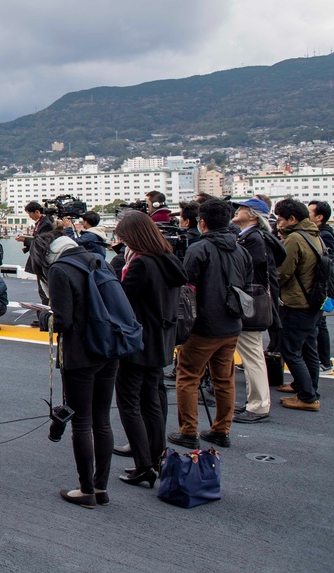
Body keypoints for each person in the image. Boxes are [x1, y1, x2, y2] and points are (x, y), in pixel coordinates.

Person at [167, 198, 252, 450]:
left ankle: (188, 431)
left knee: (188, 377)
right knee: (223, 379)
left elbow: (185, 287)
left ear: (202, 223)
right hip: (232, 324)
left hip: (203, 326)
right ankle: (221, 430)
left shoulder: (199, 249)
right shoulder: (241, 250)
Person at [43, 233, 118, 508]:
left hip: (81, 352)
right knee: (103, 419)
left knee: (81, 422)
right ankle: (101, 487)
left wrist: (44, 316)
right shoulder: (100, 260)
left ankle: (85, 488)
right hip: (109, 347)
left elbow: (62, 320)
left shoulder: (60, 270)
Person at [113, 212, 186, 488]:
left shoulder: (141, 265)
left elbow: (122, 300)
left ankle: (143, 464)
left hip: (138, 342)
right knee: (153, 401)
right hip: (162, 340)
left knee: (129, 401)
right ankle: (155, 455)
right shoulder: (168, 259)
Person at [231, 198, 280, 423]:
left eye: (241, 208)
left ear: (252, 215)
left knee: (252, 355)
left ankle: (259, 405)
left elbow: (250, 267)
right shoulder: (257, 237)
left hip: (251, 301)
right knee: (252, 354)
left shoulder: (252, 239)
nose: (237, 211)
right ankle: (254, 401)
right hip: (257, 299)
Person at [274, 198, 324, 411]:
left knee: (291, 350)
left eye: (280, 219)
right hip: (313, 302)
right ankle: (308, 388)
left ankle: (307, 397)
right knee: (308, 349)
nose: (278, 223)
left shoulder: (295, 238)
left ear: (292, 219)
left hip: (296, 303)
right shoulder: (314, 235)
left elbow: (283, 272)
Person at [307, 200, 333, 371]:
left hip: (323, 285)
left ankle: (324, 361)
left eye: (309, 213)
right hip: (323, 284)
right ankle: (323, 361)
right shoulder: (322, 233)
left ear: (319, 217)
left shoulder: (325, 235)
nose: (306, 215)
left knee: (321, 322)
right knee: (320, 322)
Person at [17, 201, 55, 306]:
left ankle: (46, 314)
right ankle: (44, 313)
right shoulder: (41, 222)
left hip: (43, 260)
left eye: (30, 214)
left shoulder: (46, 224)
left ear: (37, 212)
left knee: (44, 289)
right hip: (40, 258)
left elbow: (42, 242)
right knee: (42, 289)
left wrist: (25, 240)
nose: (30, 216)